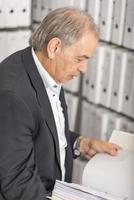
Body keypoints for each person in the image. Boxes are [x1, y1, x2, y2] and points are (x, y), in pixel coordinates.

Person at [0, 7, 121, 200]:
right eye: (80, 59)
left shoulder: (46, 70)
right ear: (54, 47)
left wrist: (80, 143)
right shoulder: (13, 95)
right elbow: (16, 182)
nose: (83, 69)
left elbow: (38, 130)